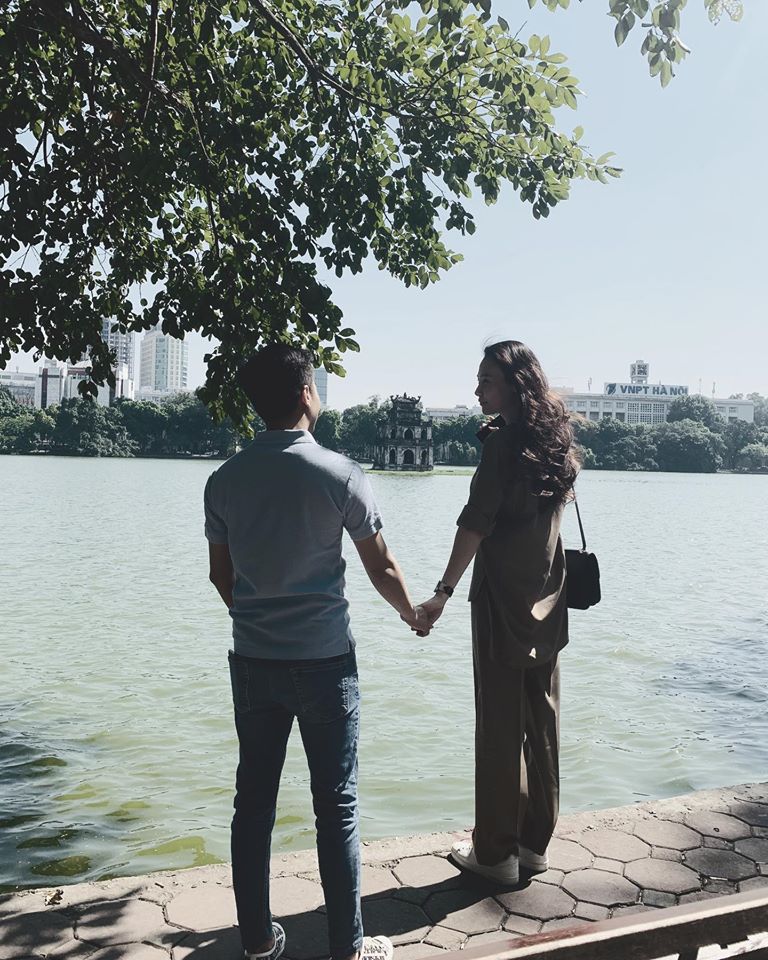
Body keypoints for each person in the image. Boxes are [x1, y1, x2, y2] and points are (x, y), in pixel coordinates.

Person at [204, 344, 427, 960]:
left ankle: (256, 942)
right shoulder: (341, 473)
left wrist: (257, 619)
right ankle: (347, 947)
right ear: (307, 393)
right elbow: (381, 566)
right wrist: (413, 613)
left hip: (254, 662)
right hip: (327, 662)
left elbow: (221, 576)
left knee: (253, 806)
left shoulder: (223, 481)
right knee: (337, 806)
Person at [413, 340, 578, 886]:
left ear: (514, 385)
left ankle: (495, 853)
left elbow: (475, 522)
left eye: (486, 379)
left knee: (499, 727)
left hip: (502, 601)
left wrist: (441, 591)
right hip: (548, 596)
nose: (477, 389)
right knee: (543, 724)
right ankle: (534, 844)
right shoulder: (553, 442)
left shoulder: (503, 447)